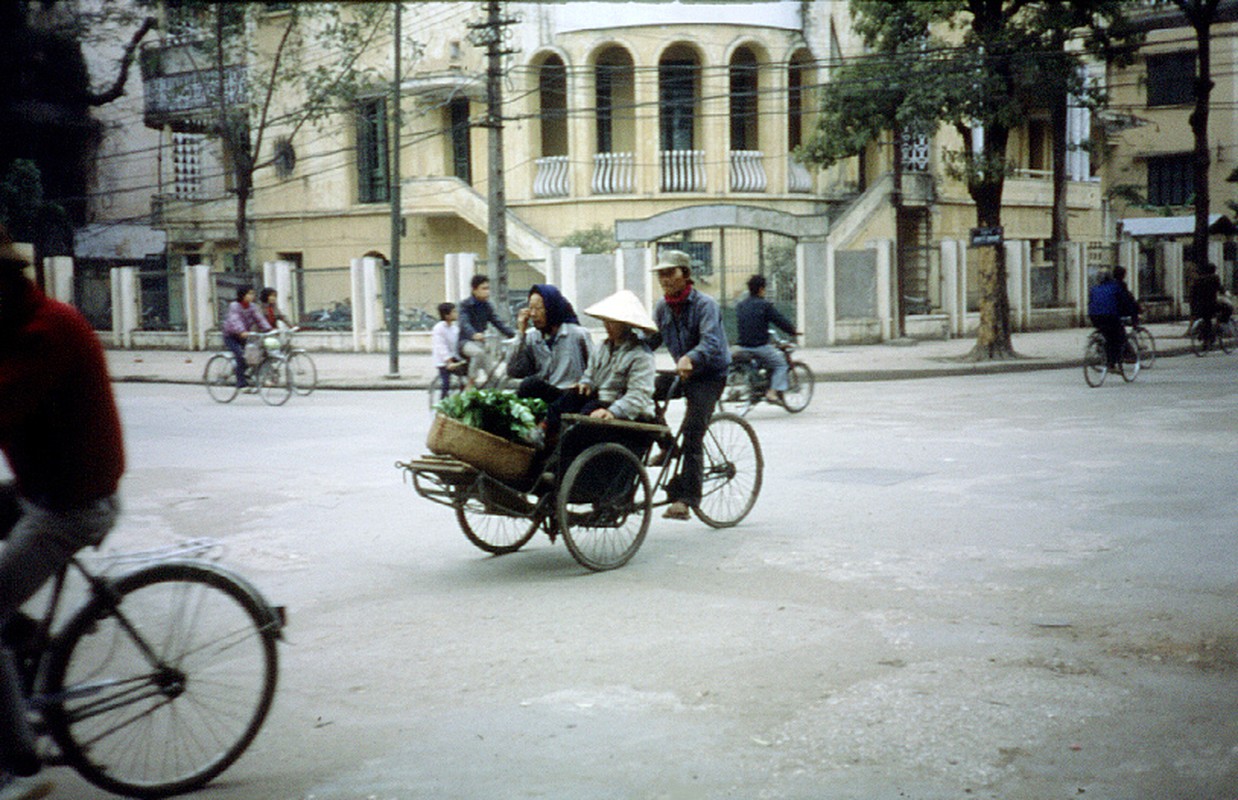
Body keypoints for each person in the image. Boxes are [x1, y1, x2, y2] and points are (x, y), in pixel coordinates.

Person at [0, 225, 124, 795]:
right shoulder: (16, 324)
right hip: (42, 488)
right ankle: (21, 635)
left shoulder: (43, 332)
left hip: (72, 504)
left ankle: (19, 770)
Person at [646, 250, 730, 521]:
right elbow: (650, 339)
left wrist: (690, 358)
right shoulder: (662, 307)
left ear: (686, 274)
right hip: (682, 372)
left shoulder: (705, 305)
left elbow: (711, 342)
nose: (665, 279)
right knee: (641, 394)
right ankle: (667, 445)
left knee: (694, 433)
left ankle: (686, 499)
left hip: (709, 374)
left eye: (670, 273)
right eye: (661, 273)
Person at [543, 289, 656, 435]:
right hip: (600, 401)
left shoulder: (641, 355)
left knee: (577, 431)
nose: (607, 326)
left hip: (628, 413)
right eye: (606, 321)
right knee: (572, 396)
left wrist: (612, 411)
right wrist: (586, 384)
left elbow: (638, 396)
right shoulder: (602, 347)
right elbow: (590, 375)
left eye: (613, 322)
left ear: (626, 324)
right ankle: (544, 430)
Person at [507, 284, 591, 404]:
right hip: (546, 394)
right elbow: (513, 371)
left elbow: (594, 368)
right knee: (529, 385)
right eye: (531, 308)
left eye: (539, 308)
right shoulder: (531, 337)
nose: (533, 314)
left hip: (570, 394)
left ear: (551, 308)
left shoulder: (577, 334)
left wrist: (585, 382)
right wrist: (520, 333)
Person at [735, 274, 799, 404]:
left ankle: (758, 387)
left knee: (762, 363)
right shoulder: (764, 305)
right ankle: (772, 392)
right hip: (759, 346)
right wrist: (793, 331)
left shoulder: (741, 305)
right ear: (761, 289)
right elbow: (780, 321)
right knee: (781, 364)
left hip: (743, 346)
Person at [457, 274, 515, 387]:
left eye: (488, 288)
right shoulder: (465, 305)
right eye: (484, 289)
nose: (487, 292)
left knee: (493, 377)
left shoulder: (487, 306)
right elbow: (464, 323)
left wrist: (513, 334)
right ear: (474, 290)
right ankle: (471, 383)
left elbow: (497, 322)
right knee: (478, 353)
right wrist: (473, 334)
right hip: (465, 342)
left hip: (481, 343)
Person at [221, 286, 272, 388]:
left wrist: (269, 329)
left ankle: (246, 374)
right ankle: (241, 383)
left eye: (253, 294)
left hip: (244, 336)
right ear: (242, 295)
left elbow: (259, 318)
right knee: (240, 356)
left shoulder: (252, 306)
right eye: (249, 294)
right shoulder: (234, 306)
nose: (252, 296)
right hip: (231, 336)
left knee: (252, 356)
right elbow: (235, 319)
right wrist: (241, 331)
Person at [1087, 268, 1139, 369]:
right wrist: (1133, 313)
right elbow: (1125, 302)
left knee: (1107, 333)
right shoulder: (1115, 287)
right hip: (1110, 316)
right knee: (1118, 335)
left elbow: (1090, 303)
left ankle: (1106, 352)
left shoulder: (1094, 288)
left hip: (1094, 317)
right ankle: (1112, 361)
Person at [1188, 263, 1227, 347]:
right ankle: (1220, 323)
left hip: (1198, 306)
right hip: (1211, 304)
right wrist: (1224, 292)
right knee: (1227, 308)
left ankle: (1206, 339)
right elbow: (1220, 289)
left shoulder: (1197, 280)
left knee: (1207, 320)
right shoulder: (1214, 278)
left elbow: (1192, 294)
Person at [431, 302, 462, 398]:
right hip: (443, 361)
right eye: (453, 312)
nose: (456, 314)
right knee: (446, 384)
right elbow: (441, 346)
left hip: (454, 358)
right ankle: (442, 404)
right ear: (446, 315)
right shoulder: (439, 328)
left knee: (465, 380)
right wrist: (448, 361)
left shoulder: (454, 328)